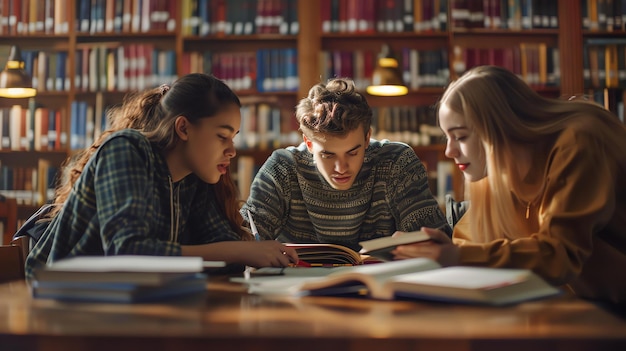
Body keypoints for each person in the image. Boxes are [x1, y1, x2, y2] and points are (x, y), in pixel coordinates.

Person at [25, 73, 298, 281]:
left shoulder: (194, 177)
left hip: (133, 302)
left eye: (233, 138)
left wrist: (247, 253)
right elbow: (127, 252)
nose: (232, 151)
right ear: (183, 128)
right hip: (63, 299)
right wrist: (240, 251)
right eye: (221, 136)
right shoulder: (127, 149)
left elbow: (223, 249)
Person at [392, 65, 626, 305]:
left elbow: (559, 255)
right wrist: (435, 253)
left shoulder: (580, 141)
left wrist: (458, 257)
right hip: (573, 310)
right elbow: (471, 246)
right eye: (447, 137)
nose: (449, 151)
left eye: (460, 136)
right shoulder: (500, 173)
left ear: (501, 126)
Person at [241, 77, 451, 252]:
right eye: (328, 155)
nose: (341, 168)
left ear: (368, 138)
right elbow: (244, 242)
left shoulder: (397, 162)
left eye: (352, 152)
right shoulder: (283, 168)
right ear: (308, 143)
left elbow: (435, 245)